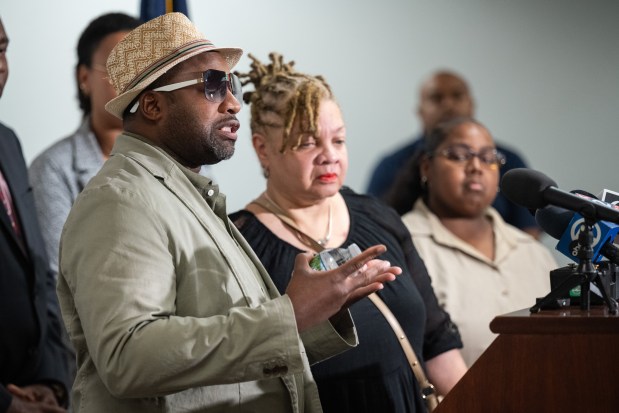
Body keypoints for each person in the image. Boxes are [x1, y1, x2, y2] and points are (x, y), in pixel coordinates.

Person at [56, 13, 401, 413]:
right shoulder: (120, 200)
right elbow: (128, 357)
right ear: (152, 105)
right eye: (212, 85)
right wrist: (289, 315)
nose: (234, 103)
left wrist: (317, 313)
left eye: (231, 84)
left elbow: (228, 361)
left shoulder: (183, 194)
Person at [230, 52, 467, 413]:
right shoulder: (241, 245)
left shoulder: (376, 214)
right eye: (308, 143)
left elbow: (437, 339)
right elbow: (245, 370)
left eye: (338, 141)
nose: (329, 156)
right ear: (263, 149)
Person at [385, 116, 557, 366]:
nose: (477, 166)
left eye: (488, 158)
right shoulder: (402, 247)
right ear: (426, 168)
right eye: (458, 155)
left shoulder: (532, 251)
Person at [29, 13, 141, 281]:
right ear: (84, 78)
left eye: (141, 67)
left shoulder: (179, 155)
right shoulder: (54, 168)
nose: (132, 81)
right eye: (119, 67)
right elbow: (61, 278)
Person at [366, 70, 541, 239]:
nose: (448, 105)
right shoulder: (391, 166)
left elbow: (529, 229)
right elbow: (372, 229)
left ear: (471, 105)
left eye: (457, 96)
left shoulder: (509, 160)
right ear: (426, 168)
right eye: (436, 98)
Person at [0, 16, 70, 413]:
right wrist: (6, 403)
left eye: (2, 50)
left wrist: (52, 381)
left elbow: (39, 273)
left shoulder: (8, 141)